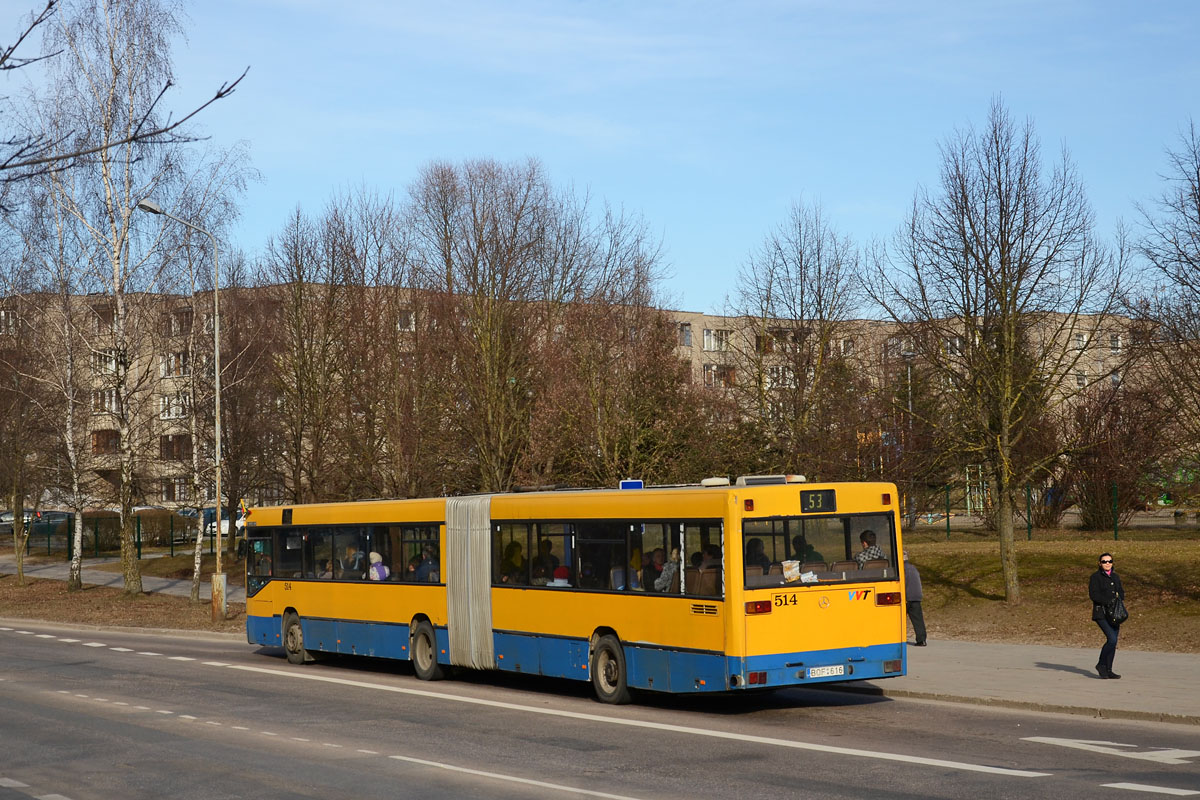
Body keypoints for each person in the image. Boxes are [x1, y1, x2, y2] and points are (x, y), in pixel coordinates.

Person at [1089, 552, 1125, 679]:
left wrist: (1119, 599)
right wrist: (1108, 601)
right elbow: (1094, 595)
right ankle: (1101, 664)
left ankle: (1108, 669)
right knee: (1112, 639)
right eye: (1104, 561)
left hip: (1115, 614)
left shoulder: (1115, 577)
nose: (1107, 563)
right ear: (1099, 564)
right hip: (1102, 613)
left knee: (1113, 642)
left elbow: (1121, 592)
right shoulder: (1095, 577)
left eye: (1109, 561)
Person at [903, 553, 926, 646]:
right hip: (916, 596)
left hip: (907, 597)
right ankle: (922, 640)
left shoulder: (902, 569)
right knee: (918, 620)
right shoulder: (913, 568)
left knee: (898, 619)